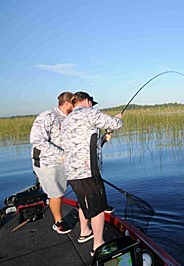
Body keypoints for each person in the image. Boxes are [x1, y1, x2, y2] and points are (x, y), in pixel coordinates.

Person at [61, 91, 123, 256]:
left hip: (72, 173)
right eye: (91, 103)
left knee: (84, 202)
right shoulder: (89, 112)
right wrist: (118, 118)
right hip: (88, 173)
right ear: (87, 101)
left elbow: (82, 145)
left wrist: (102, 139)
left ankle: (84, 231)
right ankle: (98, 245)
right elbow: (115, 123)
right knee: (98, 208)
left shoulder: (67, 120)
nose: (93, 106)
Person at [30, 92, 74, 234]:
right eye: (74, 103)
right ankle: (58, 222)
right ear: (67, 103)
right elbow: (36, 140)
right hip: (47, 163)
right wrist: (61, 154)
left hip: (63, 162)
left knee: (60, 190)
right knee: (55, 193)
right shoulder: (48, 116)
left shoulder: (70, 118)